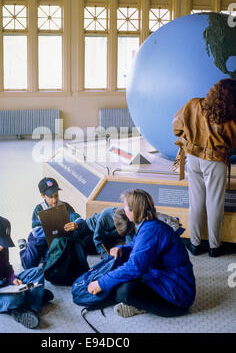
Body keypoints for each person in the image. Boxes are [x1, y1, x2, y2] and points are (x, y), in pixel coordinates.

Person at [87, 189, 196, 318]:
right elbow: (136, 246)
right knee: (121, 276)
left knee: (123, 292)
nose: (123, 209)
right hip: (167, 280)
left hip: (178, 300)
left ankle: (141, 307)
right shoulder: (149, 225)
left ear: (135, 210)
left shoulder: (151, 230)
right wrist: (122, 249)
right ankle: (144, 302)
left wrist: (101, 283)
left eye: (125, 206)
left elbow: (134, 268)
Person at [172, 78, 236, 257]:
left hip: (193, 157)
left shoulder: (193, 104)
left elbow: (176, 126)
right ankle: (215, 247)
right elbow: (233, 142)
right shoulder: (229, 117)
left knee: (196, 202)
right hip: (215, 160)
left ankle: (194, 244)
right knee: (215, 203)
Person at [18, 177, 92, 269]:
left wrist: (76, 224)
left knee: (54, 261)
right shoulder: (39, 209)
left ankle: (43, 256)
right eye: (51, 197)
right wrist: (53, 229)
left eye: (56, 195)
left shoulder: (65, 206)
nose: (54, 200)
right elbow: (36, 231)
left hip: (56, 239)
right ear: (42, 195)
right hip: (40, 239)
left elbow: (78, 218)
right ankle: (23, 247)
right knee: (28, 265)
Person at [65, 207, 135, 257]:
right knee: (80, 247)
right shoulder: (106, 215)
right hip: (91, 231)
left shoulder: (129, 221)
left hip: (108, 237)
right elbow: (97, 240)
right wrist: (107, 256)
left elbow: (130, 243)